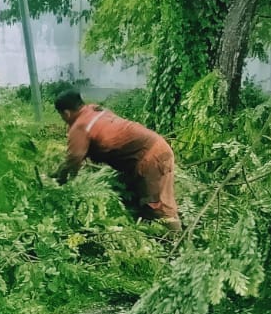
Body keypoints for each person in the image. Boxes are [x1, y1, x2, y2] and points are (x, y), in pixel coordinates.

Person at [52, 91, 180, 225]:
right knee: (137, 199)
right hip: (155, 149)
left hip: (151, 158)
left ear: (66, 113)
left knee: (158, 208)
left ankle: (176, 241)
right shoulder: (94, 110)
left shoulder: (80, 126)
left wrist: (58, 182)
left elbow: (74, 159)